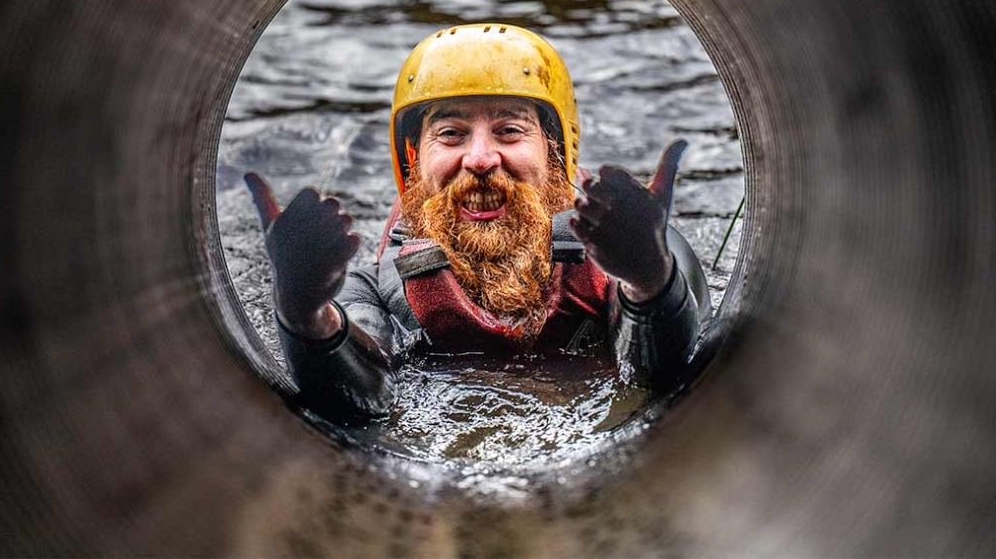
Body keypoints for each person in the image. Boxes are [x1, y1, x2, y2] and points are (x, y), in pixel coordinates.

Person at [245, 23, 710, 422]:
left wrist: (648, 278)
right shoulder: (368, 289)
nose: (481, 159)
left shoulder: (635, 246)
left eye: (510, 130)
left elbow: (661, 378)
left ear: (556, 153)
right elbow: (364, 401)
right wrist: (304, 311)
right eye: (451, 134)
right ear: (414, 159)